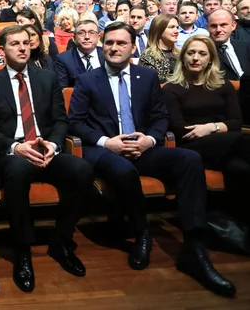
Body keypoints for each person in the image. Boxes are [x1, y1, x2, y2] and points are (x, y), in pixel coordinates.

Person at [67, 22, 235, 297]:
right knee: (122, 170)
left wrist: (150, 140)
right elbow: (76, 122)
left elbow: (160, 117)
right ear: (102, 45)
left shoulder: (146, 77)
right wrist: (107, 142)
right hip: (105, 150)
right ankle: (142, 233)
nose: (114, 48)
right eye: (109, 42)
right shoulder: (88, 79)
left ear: (133, 48)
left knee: (189, 159)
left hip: (142, 146)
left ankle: (195, 245)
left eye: (121, 43)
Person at [0, 26, 93, 292]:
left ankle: (61, 241)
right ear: (2, 49)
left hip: (45, 148)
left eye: (26, 43)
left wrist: (52, 144)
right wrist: (15, 147)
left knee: (83, 170)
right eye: (14, 44)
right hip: (14, 152)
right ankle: (23, 249)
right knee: (17, 172)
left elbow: (60, 120)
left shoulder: (48, 78)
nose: (21, 48)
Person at [163, 35, 250, 224]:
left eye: (202, 53)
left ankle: (239, 225)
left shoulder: (223, 85)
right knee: (244, 141)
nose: (196, 58)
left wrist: (212, 127)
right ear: (183, 57)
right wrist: (218, 129)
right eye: (191, 53)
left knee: (241, 168)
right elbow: (180, 128)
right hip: (192, 145)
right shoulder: (172, 89)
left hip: (226, 145)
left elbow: (237, 121)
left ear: (210, 58)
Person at [54, 19, 104, 88]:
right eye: (81, 33)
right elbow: (63, 89)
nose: (87, 37)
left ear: (98, 37)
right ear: (74, 38)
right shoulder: (63, 59)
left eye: (91, 33)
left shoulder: (107, 55)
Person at [207, 9, 249, 80]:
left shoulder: (246, 47)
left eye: (223, 25)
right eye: (213, 26)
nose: (218, 30)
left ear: (233, 26)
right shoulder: (204, 51)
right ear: (207, 27)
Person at [139, 14, 180, 82]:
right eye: (171, 27)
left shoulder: (180, 53)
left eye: (177, 27)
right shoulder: (148, 56)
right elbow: (149, 82)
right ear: (159, 30)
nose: (176, 31)